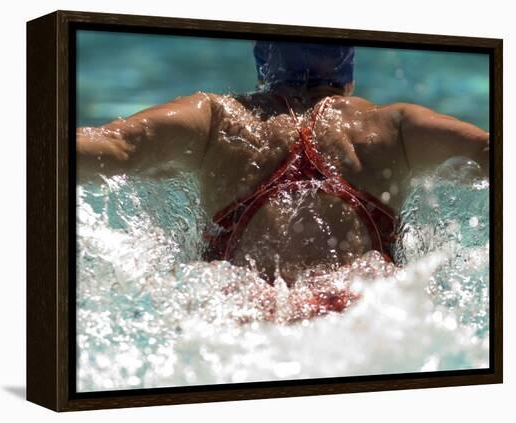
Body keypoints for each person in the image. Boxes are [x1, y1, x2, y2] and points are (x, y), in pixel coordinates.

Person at [77, 41, 489, 314]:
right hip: (358, 312)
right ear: (349, 74)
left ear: (263, 66)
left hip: (248, 309)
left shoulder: (218, 119)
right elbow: (489, 153)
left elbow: (113, 148)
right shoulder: (392, 127)